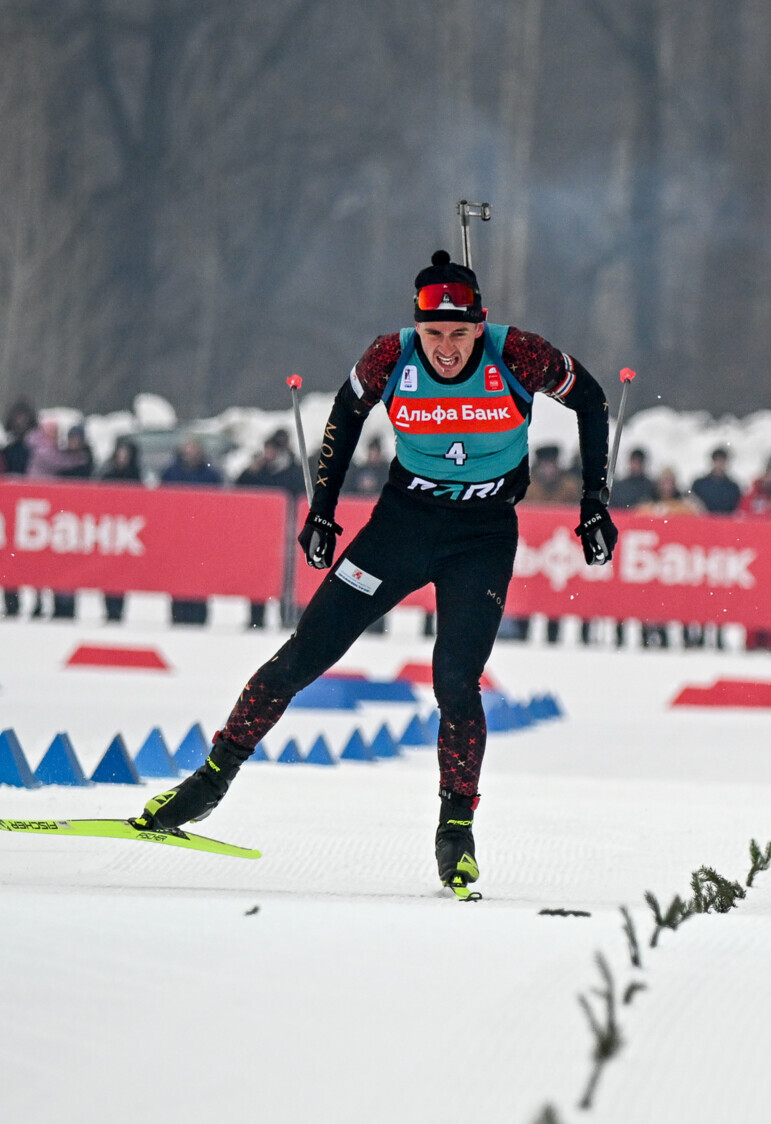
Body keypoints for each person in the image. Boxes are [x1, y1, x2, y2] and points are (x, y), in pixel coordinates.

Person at [130, 249, 615, 901]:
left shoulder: (520, 354)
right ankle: (210, 780)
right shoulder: (390, 357)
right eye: (434, 333)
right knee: (302, 656)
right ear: (417, 327)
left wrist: (593, 505)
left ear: (481, 325)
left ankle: (455, 831)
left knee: (455, 680)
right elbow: (344, 420)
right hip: (401, 529)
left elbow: (592, 400)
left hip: (483, 537)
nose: (446, 349)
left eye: (459, 334)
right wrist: (323, 511)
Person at [233, 430, 307, 498]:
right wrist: (250, 472)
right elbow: (239, 488)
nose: (268, 455)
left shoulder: (293, 471)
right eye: (267, 451)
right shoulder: (260, 470)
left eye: (272, 451)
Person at [689, 446, 741, 514]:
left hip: (725, 522)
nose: (720, 464)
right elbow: (691, 502)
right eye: (717, 460)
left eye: (722, 461)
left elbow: (736, 509)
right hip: (703, 521)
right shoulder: (699, 484)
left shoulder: (733, 487)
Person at [1, 399, 33, 474]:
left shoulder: (34, 442)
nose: (20, 420)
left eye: (24, 416)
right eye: (18, 416)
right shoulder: (6, 441)